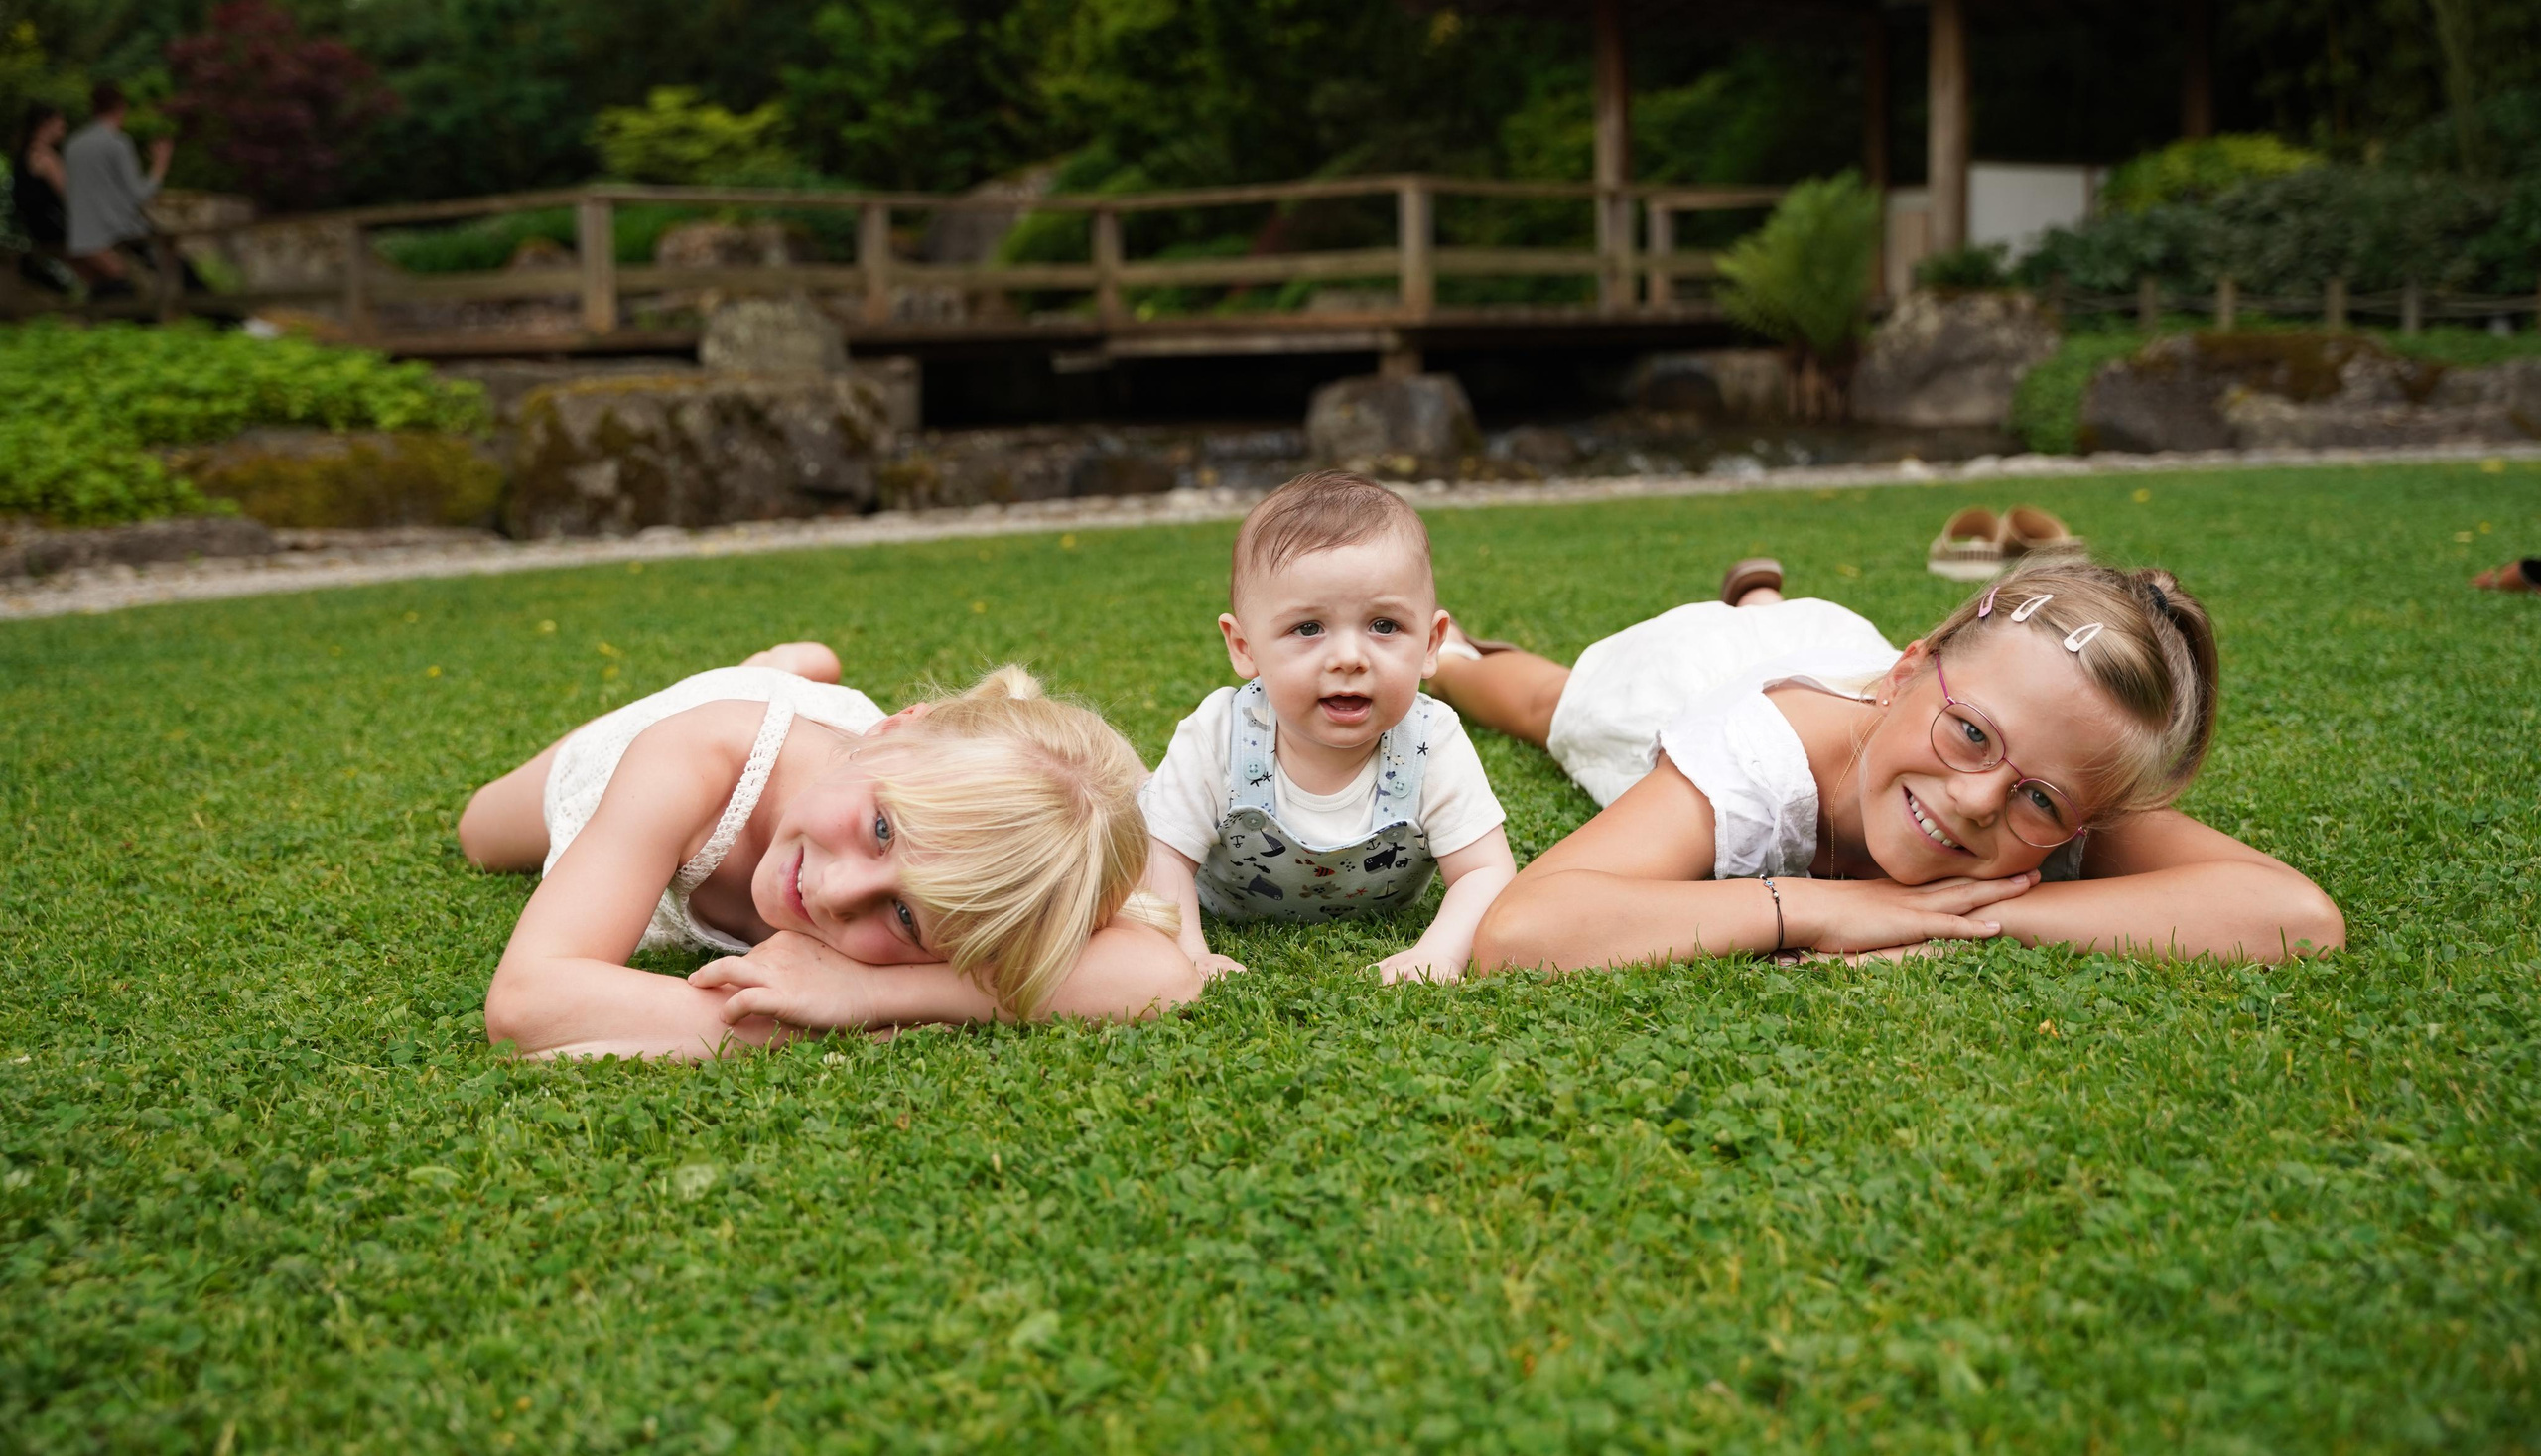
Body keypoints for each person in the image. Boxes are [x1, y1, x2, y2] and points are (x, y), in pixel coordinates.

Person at [1428, 556, 2344, 971]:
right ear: (1910, 672)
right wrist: (1829, 908)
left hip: (1849, 660)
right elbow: (1524, 931)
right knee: (1558, 708)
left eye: (2039, 801)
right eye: (1972, 733)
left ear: (2082, 816)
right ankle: (1462, 653)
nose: (1982, 802)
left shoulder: (2059, 748)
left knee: (1773, 620)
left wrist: (1962, 918)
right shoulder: (1754, 756)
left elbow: (2295, 921)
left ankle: (1761, 588)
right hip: (1698, 682)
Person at [458, 642, 1202, 1059]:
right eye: (883, 829)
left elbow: (1161, 978)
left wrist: (872, 995)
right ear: (895, 731)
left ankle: (788, 679)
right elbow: (527, 1006)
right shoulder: (690, 760)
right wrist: (792, 1021)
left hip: (843, 755)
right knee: (481, 835)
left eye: (905, 917)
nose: (837, 893)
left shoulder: (1003, 867)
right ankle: (759, 681)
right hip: (646, 756)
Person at [1139, 471, 1519, 985]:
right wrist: (1188, 952)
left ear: (1431, 644)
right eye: (1308, 628)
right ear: (1244, 647)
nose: (1348, 658)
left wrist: (1441, 952)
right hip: (1224, 908)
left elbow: (1485, 870)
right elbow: (1162, 853)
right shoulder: (1218, 734)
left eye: (1384, 626)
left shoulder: (1432, 739)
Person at [63, 80, 175, 293]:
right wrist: (160, 164)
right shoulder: (117, 143)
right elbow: (139, 195)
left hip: (81, 238)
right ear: (120, 107)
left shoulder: (73, 145)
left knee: (107, 295)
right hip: (118, 234)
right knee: (173, 269)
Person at [8, 102, 73, 291]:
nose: (64, 126)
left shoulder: (25, 152)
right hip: (53, 228)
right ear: (45, 123)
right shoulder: (44, 156)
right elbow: (68, 194)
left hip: (35, 228)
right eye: (60, 121)